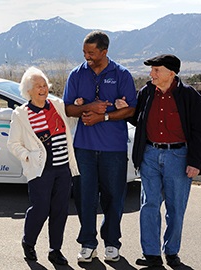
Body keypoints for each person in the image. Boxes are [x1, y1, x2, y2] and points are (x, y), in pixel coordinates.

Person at [130, 54, 201, 267]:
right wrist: (125, 108)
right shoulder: (146, 92)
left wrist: (195, 162)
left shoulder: (191, 97)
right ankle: (151, 254)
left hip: (179, 156)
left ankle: (171, 252)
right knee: (149, 204)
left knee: (175, 208)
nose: (151, 74)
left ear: (171, 73)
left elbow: (200, 132)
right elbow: (137, 119)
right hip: (149, 155)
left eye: (156, 70)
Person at [62, 30, 137, 263]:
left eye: (91, 52)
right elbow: (67, 109)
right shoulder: (76, 74)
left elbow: (131, 110)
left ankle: (112, 243)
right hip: (83, 148)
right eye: (84, 51)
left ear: (104, 51)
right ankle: (87, 243)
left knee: (114, 197)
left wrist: (103, 116)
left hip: (113, 149)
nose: (87, 56)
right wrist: (91, 107)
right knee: (85, 197)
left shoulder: (122, 74)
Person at [7, 66, 79, 266]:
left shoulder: (56, 104)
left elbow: (69, 125)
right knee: (40, 209)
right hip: (40, 170)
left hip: (63, 168)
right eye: (37, 86)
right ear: (28, 90)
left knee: (60, 210)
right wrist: (28, 156)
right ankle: (28, 242)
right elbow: (13, 144)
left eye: (44, 85)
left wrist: (77, 108)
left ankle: (55, 250)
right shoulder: (21, 114)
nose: (43, 88)